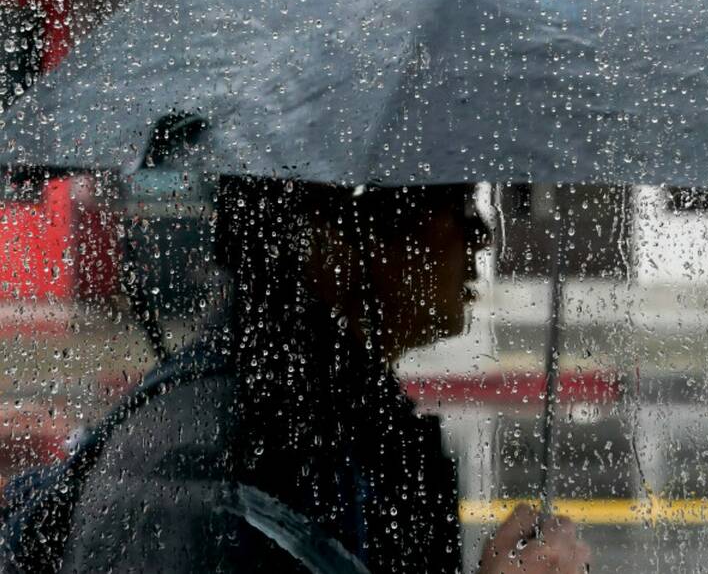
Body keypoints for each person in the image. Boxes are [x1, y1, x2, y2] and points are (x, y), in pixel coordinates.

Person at [59, 177, 591, 573]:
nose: (479, 233)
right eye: (450, 203)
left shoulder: (342, 413)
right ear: (336, 239)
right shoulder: (239, 452)